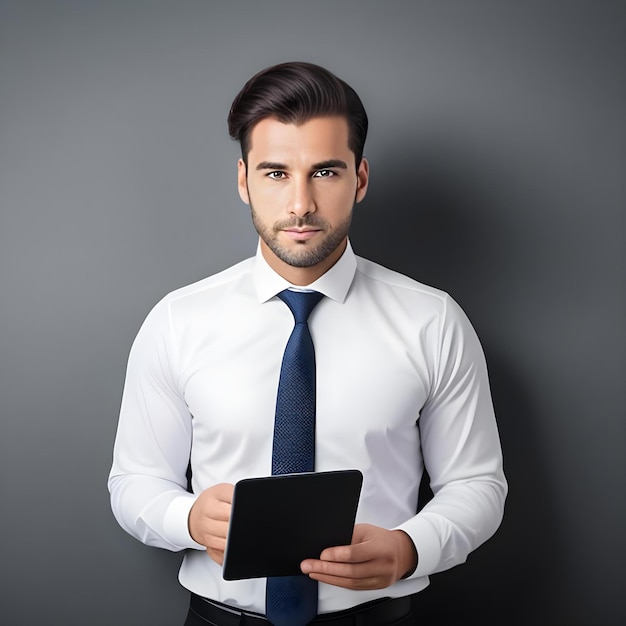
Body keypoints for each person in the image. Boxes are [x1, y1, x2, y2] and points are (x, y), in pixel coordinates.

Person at [108, 61, 507, 625]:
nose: (300, 204)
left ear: (359, 179)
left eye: (324, 172)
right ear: (243, 179)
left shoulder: (432, 322)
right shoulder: (179, 321)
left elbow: (477, 484)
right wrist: (188, 518)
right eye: (275, 173)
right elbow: (134, 482)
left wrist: (411, 549)